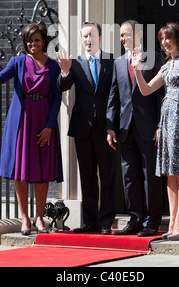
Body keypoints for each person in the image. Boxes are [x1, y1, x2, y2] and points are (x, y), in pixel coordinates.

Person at [0, 23, 63, 236]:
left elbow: (57, 99)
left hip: (43, 122)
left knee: (43, 171)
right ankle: (25, 219)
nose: (33, 44)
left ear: (44, 41)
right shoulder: (17, 62)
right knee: (22, 170)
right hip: (22, 121)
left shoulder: (54, 66)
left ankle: (39, 218)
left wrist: (49, 126)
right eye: (29, 40)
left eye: (37, 40)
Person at [132, 22, 179, 241]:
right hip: (166, 119)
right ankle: (172, 223)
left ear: (177, 39)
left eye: (168, 38)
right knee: (170, 174)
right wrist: (136, 68)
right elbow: (145, 90)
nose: (164, 43)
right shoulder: (165, 66)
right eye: (162, 40)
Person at [56, 22, 116, 234]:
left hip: (105, 128)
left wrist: (112, 124)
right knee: (87, 176)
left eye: (91, 35)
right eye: (84, 36)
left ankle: (106, 222)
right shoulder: (75, 63)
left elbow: (114, 95)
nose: (87, 40)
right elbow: (63, 86)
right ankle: (90, 221)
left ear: (99, 37)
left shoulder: (112, 61)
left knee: (107, 175)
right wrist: (64, 72)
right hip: (83, 128)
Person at [106, 20, 164, 237]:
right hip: (125, 128)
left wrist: (160, 125)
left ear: (139, 34)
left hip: (148, 127)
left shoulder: (154, 58)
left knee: (151, 175)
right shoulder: (118, 62)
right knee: (129, 175)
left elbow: (161, 96)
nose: (123, 39)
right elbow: (114, 97)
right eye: (121, 35)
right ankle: (135, 219)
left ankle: (151, 221)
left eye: (127, 34)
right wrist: (110, 127)